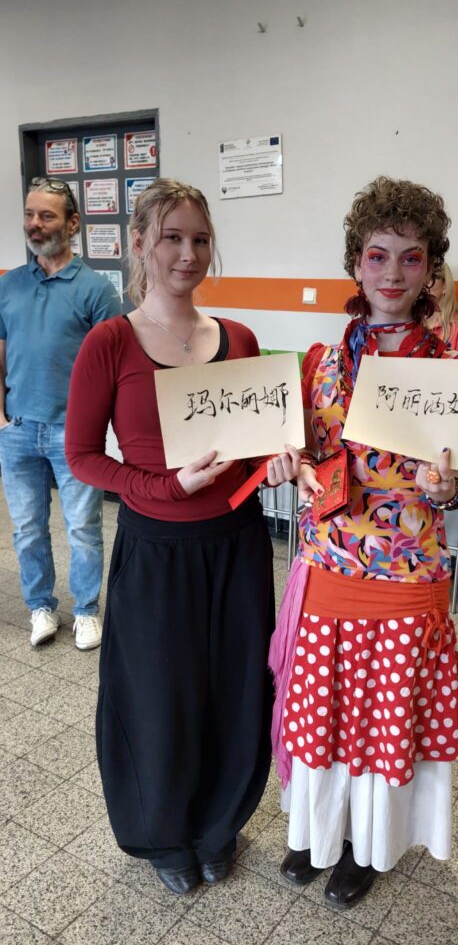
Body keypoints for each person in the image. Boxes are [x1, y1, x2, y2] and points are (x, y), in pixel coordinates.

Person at [65, 178, 299, 895]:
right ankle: (164, 833)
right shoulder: (110, 342)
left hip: (236, 545)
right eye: (172, 237)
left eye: (200, 239)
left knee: (235, 688)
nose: (188, 253)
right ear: (139, 243)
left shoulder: (239, 339)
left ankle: (220, 824)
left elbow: (254, 450)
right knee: (157, 697)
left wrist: (279, 463)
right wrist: (167, 488)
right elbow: (83, 456)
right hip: (156, 551)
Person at [269, 175, 458, 910]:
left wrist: (447, 490)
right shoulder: (320, 362)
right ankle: (316, 833)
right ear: (355, 262)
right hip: (328, 566)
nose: (392, 273)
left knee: (387, 716)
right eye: (378, 255)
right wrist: (287, 465)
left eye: (411, 257)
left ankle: (367, 845)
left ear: (431, 268)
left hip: (407, 575)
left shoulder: (452, 371)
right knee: (321, 710)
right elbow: (297, 453)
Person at [0, 177, 122, 650]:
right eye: (30, 214)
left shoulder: (96, 290)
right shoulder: (9, 285)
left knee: (83, 528)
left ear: (73, 224)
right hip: (17, 429)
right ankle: (41, 607)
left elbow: (114, 367)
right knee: (27, 529)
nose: (35, 224)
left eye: (46, 216)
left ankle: (87, 610)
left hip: (74, 433)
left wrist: (100, 426)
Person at [427, 263, 458, 358]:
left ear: (445, 286)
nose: (424, 283)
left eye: (431, 277)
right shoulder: (411, 324)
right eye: (421, 277)